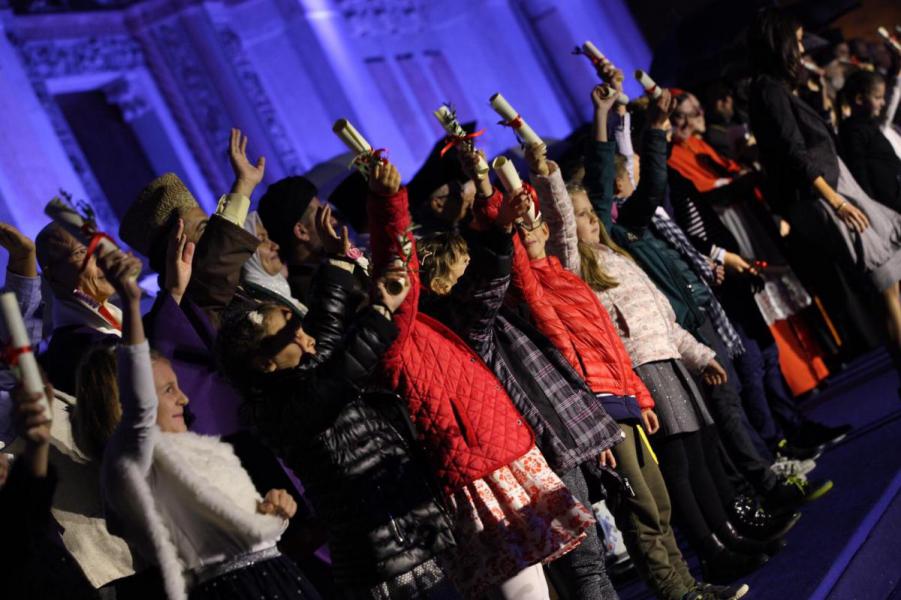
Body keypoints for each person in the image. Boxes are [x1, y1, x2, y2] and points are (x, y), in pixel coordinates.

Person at [367, 157, 594, 600]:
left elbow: (485, 273)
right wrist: (387, 202)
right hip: (475, 474)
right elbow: (395, 264)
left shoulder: (438, 326)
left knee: (543, 588)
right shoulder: (394, 338)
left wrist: (495, 217)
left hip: (500, 458)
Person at [215, 215, 460, 599]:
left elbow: (326, 330)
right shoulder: (279, 411)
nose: (303, 332)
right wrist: (379, 312)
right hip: (386, 560)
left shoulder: (300, 372)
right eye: (287, 334)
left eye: (295, 323)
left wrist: (337, 263)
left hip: (410, 535)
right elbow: (340, 375)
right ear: (265, 364)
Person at [419, 147, 624, 600]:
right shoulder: (469, 324)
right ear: (440, 284)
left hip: (542, 443)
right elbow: (492, 276)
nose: (468, 271)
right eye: (459, 268)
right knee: (585, 569)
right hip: (533, 447)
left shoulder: (476, 319)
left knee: (581, 572)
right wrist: (500, 227)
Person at [95, 247, 320, 600]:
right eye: (169, 390)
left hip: (279, 576)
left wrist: (272, 511)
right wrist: (132, 302)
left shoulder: (204, 449)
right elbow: (138, 397)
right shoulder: (133, 459)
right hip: (229, 591)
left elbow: (244, 529)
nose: (183, 399)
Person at [748, 7, 901, 386]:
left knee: (892, 282)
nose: (801, 51)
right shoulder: (767, 89)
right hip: (828, 194)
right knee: (886, 286)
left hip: (836, 188)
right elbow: (793, 151)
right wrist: (837, 202)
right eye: (797, 42)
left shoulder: (777, 88)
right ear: (779, 43)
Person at [839, 69, 901, 214]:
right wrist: (871, 208)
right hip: (887, 206)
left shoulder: (870, 125)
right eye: (878, 97)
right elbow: (859, 171)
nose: (883, 102)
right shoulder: (852, 130)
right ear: (860, 99)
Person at [239, 211, 308, 316]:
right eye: (262, 240)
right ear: (245, 252)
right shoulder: (262, 308)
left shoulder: (279, 291)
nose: (275, 246)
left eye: (268, 238)